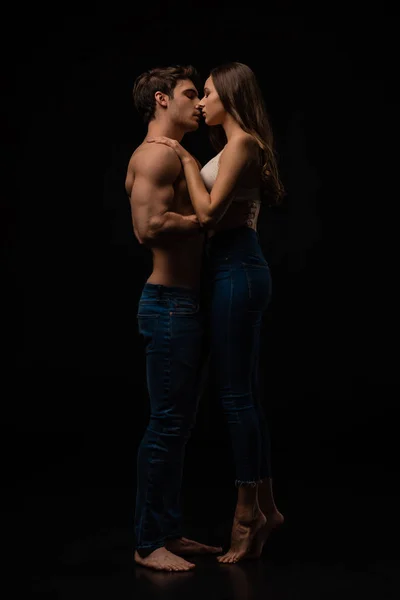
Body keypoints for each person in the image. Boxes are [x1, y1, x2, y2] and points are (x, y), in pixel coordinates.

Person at [147, 61, 285, 563]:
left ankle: (246, 515)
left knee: (233, 397)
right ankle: (266, 507)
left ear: (229, 93)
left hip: (237, 270)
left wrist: (182, 157)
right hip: (229, 269)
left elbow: (207, 216)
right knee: (243, 394)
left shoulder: (243, 142)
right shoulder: (234, 146)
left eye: (206, 93)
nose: (201, 102)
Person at [125, 64, 222, 572]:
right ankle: (147, 544)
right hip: (167, 306)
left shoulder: (176, 156)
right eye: (190, 94)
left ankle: (167, 529)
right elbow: (148, 226)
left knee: (178, 428)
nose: (199, 103)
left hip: (184, 304)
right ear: (162, 100)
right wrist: (206, 222)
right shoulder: (153, 157)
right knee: (166, 426)